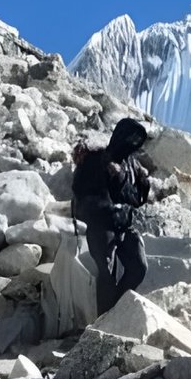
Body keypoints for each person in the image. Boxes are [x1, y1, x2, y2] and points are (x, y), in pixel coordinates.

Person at [71, 117, 151, 316]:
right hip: (101, 225)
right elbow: (80, 191)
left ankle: (115, 310)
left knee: (139, 268)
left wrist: (142, 184)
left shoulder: (131, 164)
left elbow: (134, 199)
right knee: (107, 274)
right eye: (129, 139)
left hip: (124, 224)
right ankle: (104, 322)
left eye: (136, 141)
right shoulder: (96, 159)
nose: (132, 144)